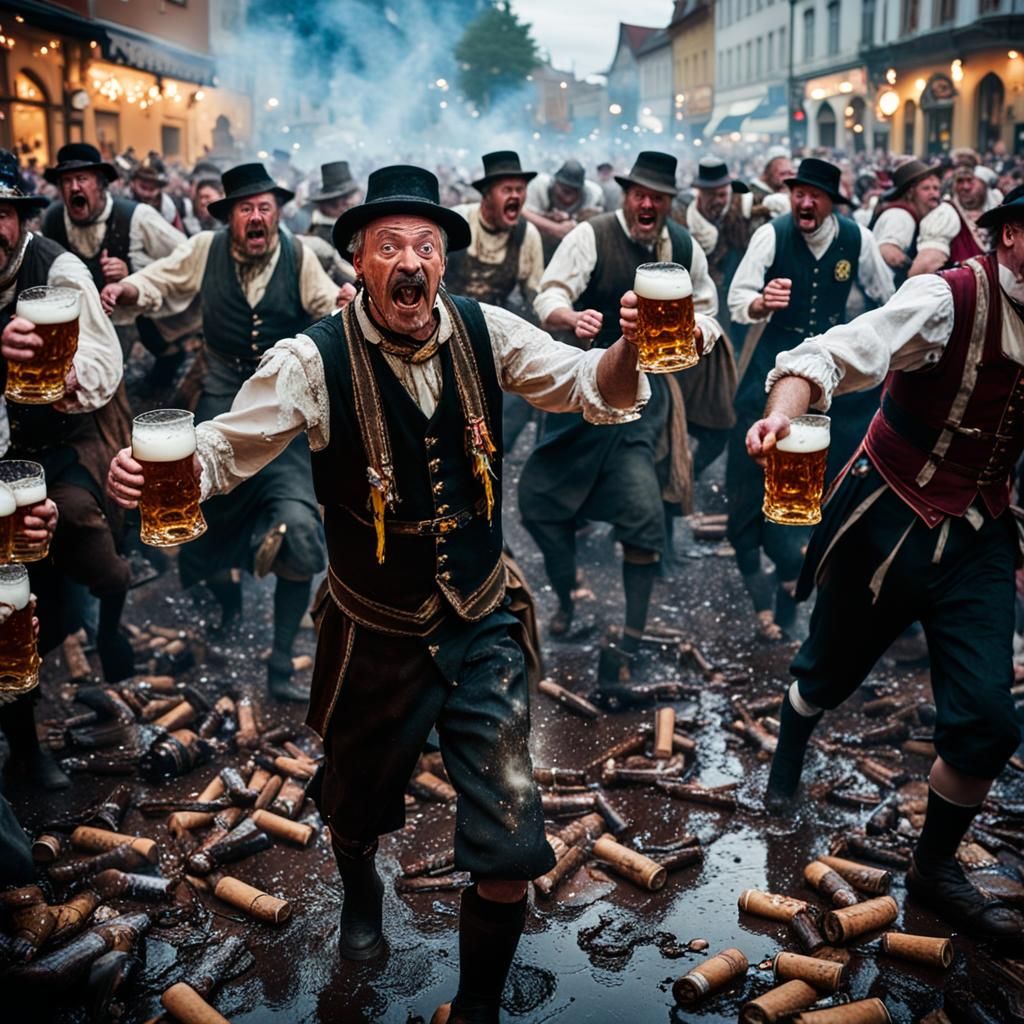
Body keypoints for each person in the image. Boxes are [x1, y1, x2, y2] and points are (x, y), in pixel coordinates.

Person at [107, 164, 649, 1023]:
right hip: (374, 629)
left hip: (480, 619)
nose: (411, 260)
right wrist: (160, 466)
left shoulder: (485, 330)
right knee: (355, 811)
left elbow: (591, 386)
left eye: (426, 246)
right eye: (390, 244)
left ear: (444, 263)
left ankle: (474, 1009)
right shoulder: (312, 359)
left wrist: (627, 345)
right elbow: (225, 446)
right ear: (357, 259)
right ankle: (360, 890)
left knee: (510, 845)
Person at [744, 184, 1024, 942]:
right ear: (1009, 237)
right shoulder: (945, 299)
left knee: (989, 721)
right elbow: (835, 352)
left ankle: (933, 870)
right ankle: (788, 753)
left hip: (982, 535)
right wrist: (784, 411)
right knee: (827, 671)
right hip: (890, 518)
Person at [100, 162, 349, 702]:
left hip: (284, 416)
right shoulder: (203, 251)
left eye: (265, 207)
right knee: (197, 532)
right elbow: (162, 280)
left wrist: (343, 306)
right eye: (246, 209)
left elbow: (326, 300)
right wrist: (128, 291)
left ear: (277, 211)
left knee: (300, 530)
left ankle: (282, 661)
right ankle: (229, 600)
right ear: (230, 216)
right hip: (217, 405)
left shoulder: (299, 253)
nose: (257, 217)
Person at [523, 151, 722, 686]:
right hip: (579, 394)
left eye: (658, 196)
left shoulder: (684, 247)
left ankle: (629, 641)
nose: (648, 204)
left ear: (669, 203)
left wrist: (699, 333)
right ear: (626, 195)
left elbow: (710, 309)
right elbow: (550, 295)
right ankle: (567, 597)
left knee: (642, 518)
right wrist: (571, 316)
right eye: (640, 194)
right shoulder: (592, 235)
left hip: (640, 407)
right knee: (539, 503)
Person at [727, 158, 894, 641]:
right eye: (799, 192)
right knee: (762, 490)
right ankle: (780, 584)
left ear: (830, 202)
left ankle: (791, 597)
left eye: (814, 195)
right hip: (772, 375)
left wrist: (870, 345)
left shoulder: (856, 239)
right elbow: (738, 299)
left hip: (834, 383)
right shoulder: (772, 235)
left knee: (819, 493)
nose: (805, 202)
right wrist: (762, 302)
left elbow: (886, 302)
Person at [0, 149, 121, 788]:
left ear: (20, 218)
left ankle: (104, 619)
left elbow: (105, 357)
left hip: (52, 448)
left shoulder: (58, 266)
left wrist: (71, 376)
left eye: (1, 213)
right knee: (11, 597)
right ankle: (25, 742)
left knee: (85, 545)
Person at [41, 143, 188, 387]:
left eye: (81, 178)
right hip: (80, 322)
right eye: (66, 181)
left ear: (100, 185)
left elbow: (184, 259)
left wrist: (133, 271)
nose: (74, 187)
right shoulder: (53, 219)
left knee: (141, 368)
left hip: (132, 316)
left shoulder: (137, 215)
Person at [449, 152, 547, 451]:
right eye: (508, 190)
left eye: (520, 190)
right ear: (487, 196)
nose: (516, 196)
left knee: (517, 401)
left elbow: (535, 295)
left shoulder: (527, 235)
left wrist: (554, 322)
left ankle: (492, 454)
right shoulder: (458, 222)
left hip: (490, 330)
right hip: (445, 327)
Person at [673, 157, 751, 475]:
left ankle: (689, 474)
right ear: (700, 194)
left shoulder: (739, 216)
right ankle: (673, 475)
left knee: (722, 414)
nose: (720, 200)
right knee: (678, 408)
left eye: (724, 193)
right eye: (714, 195)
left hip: (727, 326)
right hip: (688, 325)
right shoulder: (681, 222)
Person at [910, 155, 1002, 276]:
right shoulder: (946, 213)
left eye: (970, 180)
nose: (965, 187)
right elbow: (926, 266)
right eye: (960, 181)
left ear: (983, 183)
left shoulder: (997, 205)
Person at [870, 159, 941, 288]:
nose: (934, 193)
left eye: (936, 188)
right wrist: (917, 270)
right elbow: (888, 252)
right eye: (926, 188)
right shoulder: (900, 216)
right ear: (910, 193)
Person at [523, 158, 605, 262]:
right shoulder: (540, 187)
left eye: (574, 192)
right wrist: (556, 227)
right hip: (538, 248)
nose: (568, 198)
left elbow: (597, 224)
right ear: (556, 183)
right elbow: (523, 213)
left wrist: (574, 222)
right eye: (565, 191)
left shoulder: (593, 195)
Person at [301, 161, 359, 288]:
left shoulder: (351, 227)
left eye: (350, 196)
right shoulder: (324, 234)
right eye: (344, 198)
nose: (350, 202)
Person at [130, 155, 188, 234]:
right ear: (133, 183)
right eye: (143, 187)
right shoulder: (125, 203)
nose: (146, 193)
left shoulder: (169, 208)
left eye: (151, 189)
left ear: (159, 189)